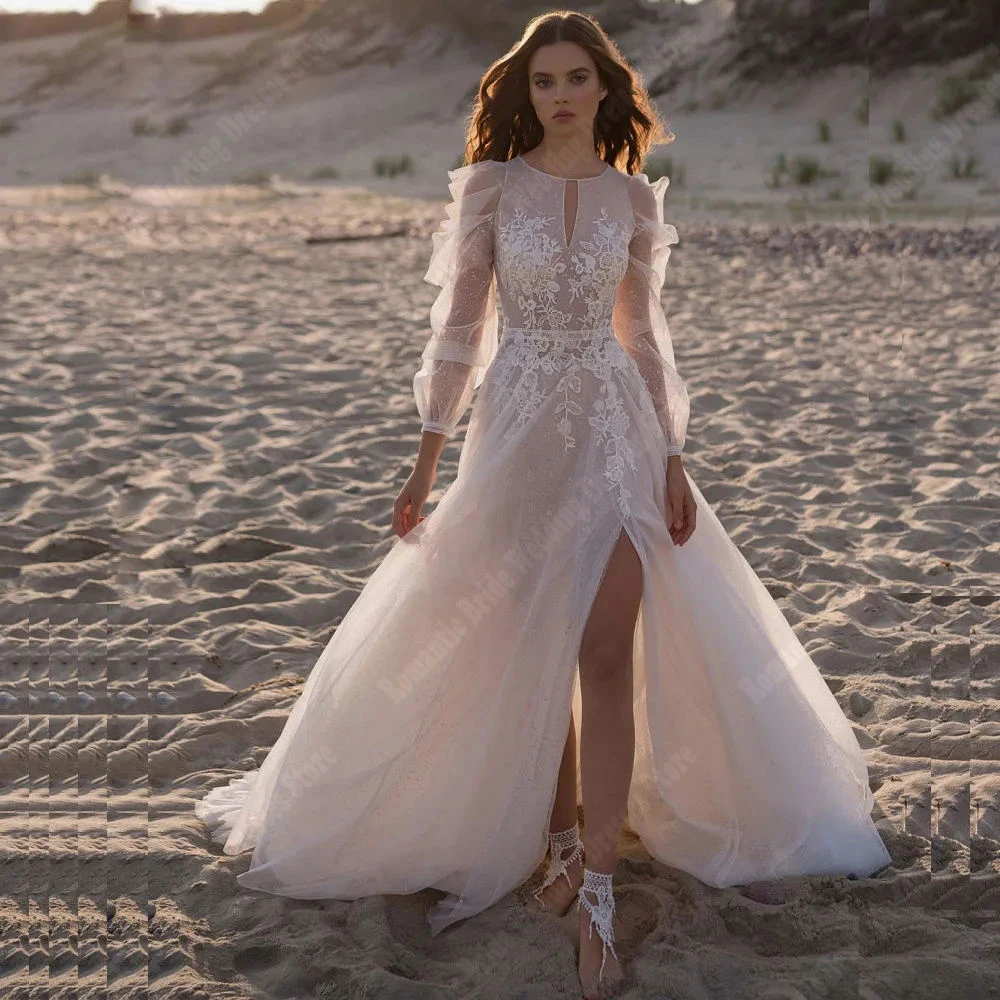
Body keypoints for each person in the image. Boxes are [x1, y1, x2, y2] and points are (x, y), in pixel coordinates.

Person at [196, 11, 893, 999]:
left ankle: (599, 891)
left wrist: (678, 456)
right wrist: (425, 458)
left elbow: (645, 335)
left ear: (604, 89)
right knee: (533, 639)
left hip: (617, 435)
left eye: (575, 77)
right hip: (515, 434)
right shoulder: (491, 186)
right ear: (523, 96)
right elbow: (459, 329)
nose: (560, 93)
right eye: (543, 81)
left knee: (605, 651)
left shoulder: (631, 203)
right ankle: (560, 839)